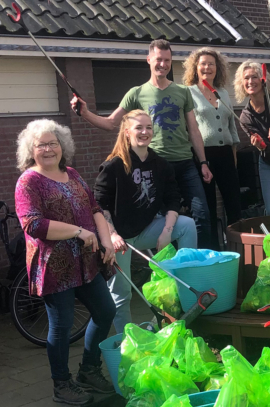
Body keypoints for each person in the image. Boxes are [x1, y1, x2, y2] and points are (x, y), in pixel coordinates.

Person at [71, 39, 214, 249]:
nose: (163, 65)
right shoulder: (136, 93)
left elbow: (193, 130)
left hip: (185, 164)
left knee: (202, 215)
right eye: (158, 60)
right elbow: (111, 123)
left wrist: (202, 161)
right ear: (149, 60)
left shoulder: (183, 92)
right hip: (156, 167)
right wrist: (85, 113)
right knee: (161, 221)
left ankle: (202, 265)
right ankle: (165, 270)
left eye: (167, 60)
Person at [14, 119, 117, 406]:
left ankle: (89, 369)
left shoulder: (71, 173)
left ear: (63, 146)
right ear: (31, 150)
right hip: (55, 267)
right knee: (61, 326)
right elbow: (33, 225)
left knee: (106, 311)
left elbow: (95, 208)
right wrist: (78, 231)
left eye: (53, 143)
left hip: (86, 262)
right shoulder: (28, 182)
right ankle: (62, 384)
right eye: (41, 144)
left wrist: (106, 241)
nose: (48, 149)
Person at [93, 110, 197, 333]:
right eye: (139, 127)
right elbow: (99, 206)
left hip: (146, 229)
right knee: (122, 294)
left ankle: (186, 290)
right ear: (127, 131)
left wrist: (167, 231)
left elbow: (172, 198)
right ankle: (127, 341)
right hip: (119, 238)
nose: (145, 132)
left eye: (149, 127)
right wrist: (111, 235)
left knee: (187, 225)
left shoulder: (160, 164)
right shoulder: (112, 166)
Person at [183, 47, 242, 247]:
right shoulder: (188, 93)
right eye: (203, 64)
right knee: (207, 207)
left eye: (211, 64)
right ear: (196, 68)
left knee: (234, 203)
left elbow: (231, 128)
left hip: (226, 154)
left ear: (217, 68)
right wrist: (201, 161)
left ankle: (238, 248)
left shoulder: (223, 93)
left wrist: (233, 155)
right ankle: (212, 251)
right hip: (202, 157)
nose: (207, 67)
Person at [235, 61, 270, 216]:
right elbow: (266, 149)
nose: (250, 81)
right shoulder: (245, 117)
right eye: (246, 78)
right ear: (241, 83)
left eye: (254, 76)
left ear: (263, 79)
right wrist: (262, 146)